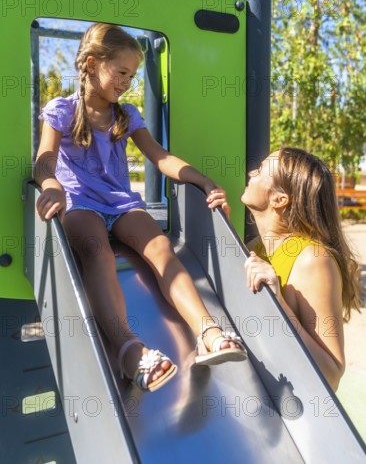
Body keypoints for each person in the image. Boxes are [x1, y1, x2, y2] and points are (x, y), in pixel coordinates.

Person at [34, 22, 246, 392]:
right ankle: (128, 349)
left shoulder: (126, 115)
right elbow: (44, 161)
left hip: (120, 202)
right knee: (97, 250)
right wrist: (51, 186)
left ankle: (206, 331)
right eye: (121, 73)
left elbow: (160, 157)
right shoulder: (62, 110)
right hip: (79, 203)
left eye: (131, 76)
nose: (126, 83)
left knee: (161, 248)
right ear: (91, 63)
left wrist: (203, 181)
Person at [242, 147, 360, 392]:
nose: (252, 172)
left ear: (279, 199)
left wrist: (279, 305)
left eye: (261, 170)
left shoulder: (313, 259)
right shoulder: (256, 248)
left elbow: (331, 374)